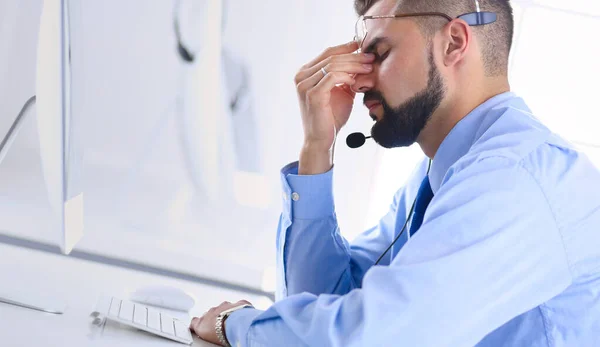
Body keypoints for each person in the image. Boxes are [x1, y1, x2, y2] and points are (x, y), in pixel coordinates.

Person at [190, 0, 600, 345]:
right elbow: (321, 299)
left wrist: (236, 327)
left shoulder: (515, 179)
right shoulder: (437, 178)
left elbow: (377, 337)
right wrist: (318, 147)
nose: (360, 79)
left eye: (379, 54)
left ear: (454, 43)